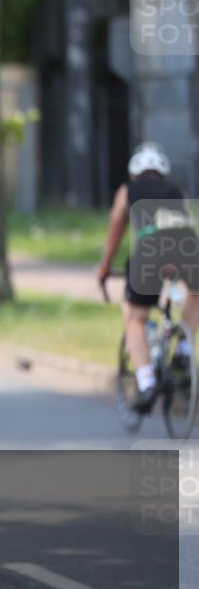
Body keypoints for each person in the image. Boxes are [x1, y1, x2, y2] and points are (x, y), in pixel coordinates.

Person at [97, 142, 199, 412]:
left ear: (134, 174)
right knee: (195, 294)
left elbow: (116, 227)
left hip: (150, 251)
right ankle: (183, 350)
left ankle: (146, 383)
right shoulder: (177, 191)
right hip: (187, 247)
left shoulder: (128, 190)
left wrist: (105, 266)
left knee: (135, 319)